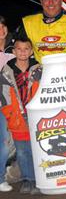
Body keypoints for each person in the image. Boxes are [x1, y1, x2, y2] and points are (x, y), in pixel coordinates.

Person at [1, 37, 42, 195]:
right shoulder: (6, 71)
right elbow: (4, 96)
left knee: (37, 150)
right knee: (22, 151)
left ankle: (38, 180)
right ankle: (27, 179)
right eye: (19, 49)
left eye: (26, 49)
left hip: (36, 117)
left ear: (31, 51)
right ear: (13, 51)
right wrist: (10, 114)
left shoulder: (39, 69)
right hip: (17, 117)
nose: (23, 52)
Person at [0, 16, 15, 192]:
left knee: (6, 143)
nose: (1, 30)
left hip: (10, 105)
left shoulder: (14, 48)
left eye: (3, 26)